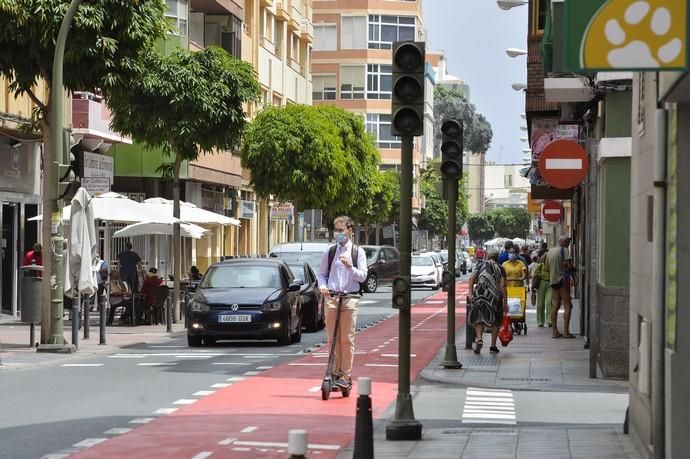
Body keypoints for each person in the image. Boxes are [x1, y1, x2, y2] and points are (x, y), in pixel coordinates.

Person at [317, 215, 367, 389]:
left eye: (341, 230)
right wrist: (323, 286)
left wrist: (349, 267)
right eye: (336, 230)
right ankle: (334, 372)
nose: (338, 234)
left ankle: (345, 375)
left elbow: (363, 276)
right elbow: (322, 273)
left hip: (350, 298)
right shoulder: (330, 252)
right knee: (332, 338)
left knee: (346, 338)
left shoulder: (357, 252)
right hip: (332, 297)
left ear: (349, 231)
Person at [468, 250, 508, 354]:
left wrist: (471, 293)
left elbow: (471, 278)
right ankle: (493, 346)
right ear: (497, 258)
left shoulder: (480, 265)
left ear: (487, 257)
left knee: (478, 318)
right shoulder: (500, 268)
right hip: (494, 296)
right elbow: (503, 285)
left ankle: (480, 339)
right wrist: (505, 302)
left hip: (479, 294)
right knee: (495, 322)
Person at [545, 235, 575, 338]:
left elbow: (547, 268)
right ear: (566, 243)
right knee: (568, 305)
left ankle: (554, 331)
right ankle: (566, 332)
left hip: (553, 281)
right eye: (568, 243)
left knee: (555, 305)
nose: (569, 244)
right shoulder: (565, 250)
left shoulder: (550, 252)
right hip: (563, 280)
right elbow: (569, 265)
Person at [534, 249, 552, 327]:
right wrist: (533, 288)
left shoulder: (552, 266)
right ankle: (540, 321)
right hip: (541, 283)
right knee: (540, 303)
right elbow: (535, 275)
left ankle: (549, 320)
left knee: (549, 302)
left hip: (551, 284)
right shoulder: (540, 265)